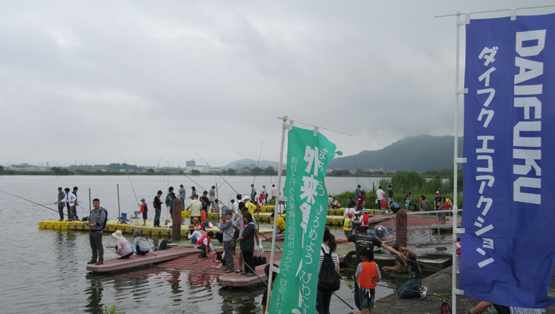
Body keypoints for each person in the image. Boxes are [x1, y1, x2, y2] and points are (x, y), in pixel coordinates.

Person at [317, 227, 340, 314]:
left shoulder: (316, 250)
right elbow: (337, 268)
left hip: (319, 284)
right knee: (326, 308)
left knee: (319, 309)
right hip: (330, 284)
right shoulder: (333, 251)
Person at [355, 246, 381, 314]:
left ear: (363, 256)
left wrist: (358, 282)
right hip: (372, 287)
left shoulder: (361, 265)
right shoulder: (375, 265)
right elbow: (379, 276)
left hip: (363, 288)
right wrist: (375, 281)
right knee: (371, 305)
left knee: (363, 306)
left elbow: (356, 275)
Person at [232, 208, 258, 273]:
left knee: (249, 258)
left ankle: (252, 271)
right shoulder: (247, 225)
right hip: (244, 244)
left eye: (245, 218)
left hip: (248, 244)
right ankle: (246, 270)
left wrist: (239, 238)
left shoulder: (251, 225)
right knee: (245, 258)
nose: (244, 219)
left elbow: (245, 235)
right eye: (244, 217)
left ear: (248, 218)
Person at [86, 198, 107, 265]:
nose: (95, 204)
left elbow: (101, 221)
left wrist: (92, 225)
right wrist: (88, 221)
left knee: (99, 246)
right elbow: (89, 218)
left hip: (98, 231)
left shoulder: (102, 212)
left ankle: (100, 259)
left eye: (96, 203)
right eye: (94, 203)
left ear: (99, 203)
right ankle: (94, 259)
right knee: (93, 246)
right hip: (91, 231)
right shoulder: (92, 211)